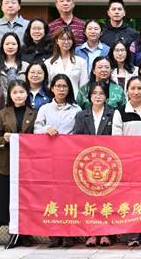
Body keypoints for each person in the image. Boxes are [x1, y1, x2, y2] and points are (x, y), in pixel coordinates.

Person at [33, 74, 81, 248]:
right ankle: (54, 233)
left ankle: (69, 234)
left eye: (64, 86)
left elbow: (79, 132)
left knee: (69, 196)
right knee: (52, 195)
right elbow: (36, 129)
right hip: (49, 159)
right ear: (52, 88)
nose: (61, 89)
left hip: (70, 159)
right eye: (58, 86)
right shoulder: (45, 109)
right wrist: (47, 129)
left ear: (69, 89)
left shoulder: (76, 109)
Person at [112, 76, 141, 247]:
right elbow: (116, 138)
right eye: (132, 88)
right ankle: (132, 235)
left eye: (139, 88)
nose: (136, 92)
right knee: (129, 198)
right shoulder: (120, 111)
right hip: (128, 162)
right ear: (127, 91)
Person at [0, 80, 36, 248]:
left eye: (22, 92)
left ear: (27, 94)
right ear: (10, 95)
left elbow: (37, 136)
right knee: (10, 198)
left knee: (27, 198)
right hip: (7, 162)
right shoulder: (2, 114)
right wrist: (3, 139)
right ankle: (13, 232)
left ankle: (26, 233)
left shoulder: (34, 113)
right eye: (15, 92)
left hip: (29, 164)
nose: (19, 95)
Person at [72, 81, 115, 247]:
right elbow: (77, 138)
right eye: (94, 93)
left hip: (108, 162)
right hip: (87, 162)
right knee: (88, 198)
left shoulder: (113, 113)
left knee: (107, 198)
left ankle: (106, 233)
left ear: (106, 96)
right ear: (89, 96)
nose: (98, 96)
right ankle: (90, 233)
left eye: (101, 93)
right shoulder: (81, 115)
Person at [45, 27, 88, 96]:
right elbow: (48, 85)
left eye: (69, 39)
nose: (66, 42)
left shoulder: (81, 62)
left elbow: (84, 87)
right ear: (57, 41)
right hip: (54, 99)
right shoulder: (48, 63)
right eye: (63, 39)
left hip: (74, 99)